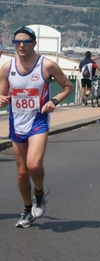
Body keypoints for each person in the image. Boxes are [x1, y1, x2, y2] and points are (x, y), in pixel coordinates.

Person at [0, 26, 73, 228]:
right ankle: (26, 210)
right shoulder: (7, 67)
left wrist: (54, 102)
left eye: (25, 41)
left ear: (34, 43)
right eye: (17, 42)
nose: (21, 45)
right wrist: (1, 98)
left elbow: (68, 86)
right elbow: (2, 93)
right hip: (17, 121)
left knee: (34, 164)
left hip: (38, 120)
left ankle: (39, 194)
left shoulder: (47, 65)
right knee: (22, 171)